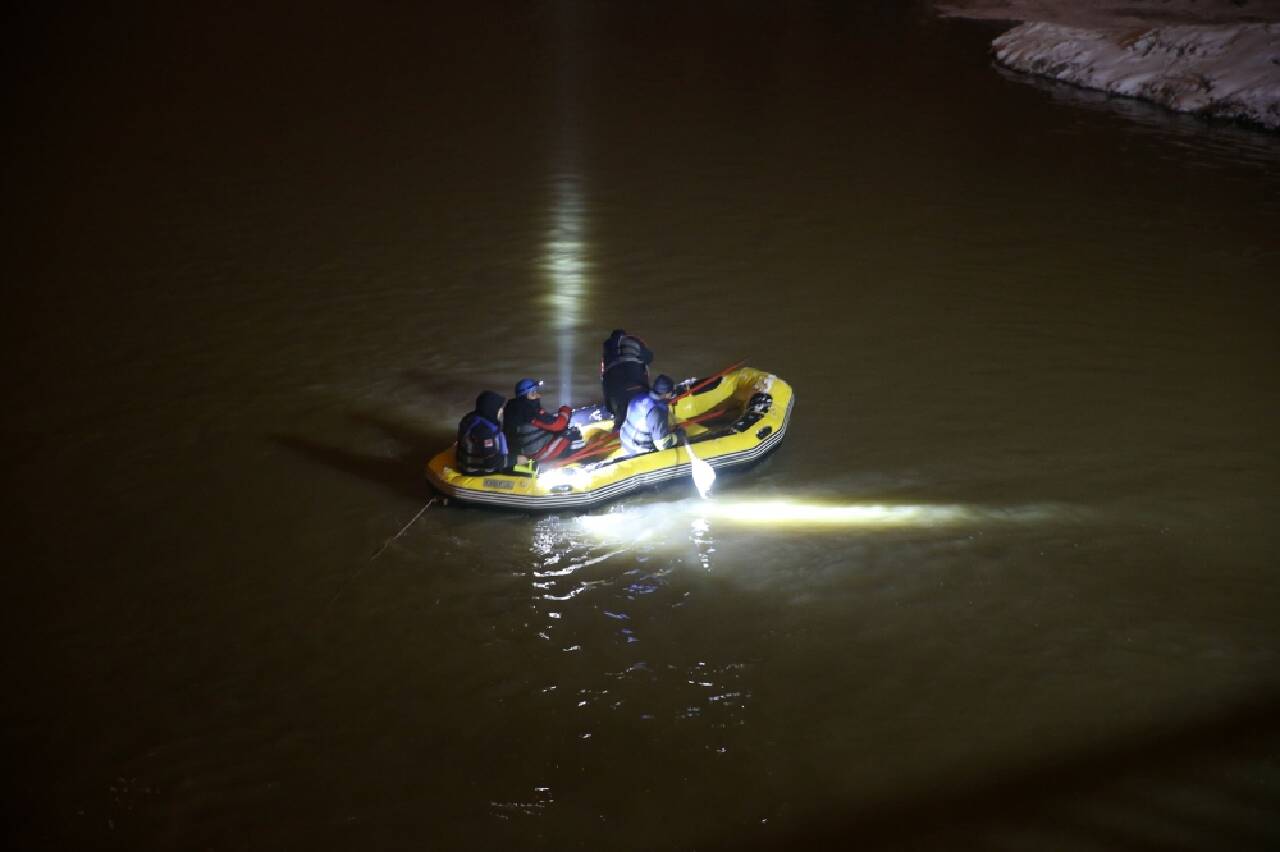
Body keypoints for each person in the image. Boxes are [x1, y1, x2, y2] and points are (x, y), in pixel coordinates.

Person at [504, 378, 578, 463]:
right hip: (535, 454)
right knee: (570, 433)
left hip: (520, 453)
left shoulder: (513, 408)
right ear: (528, 395)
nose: (538, 395)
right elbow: (558, 425)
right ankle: (577, 458)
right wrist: (565, 411)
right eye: (534, 392)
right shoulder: (529, 410)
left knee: (557, 431)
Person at [455, 390, 522, 475]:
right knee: (522, 469)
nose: (501, 411)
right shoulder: (484, 431)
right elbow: (490, 462)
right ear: (491, 408)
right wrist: (516, 460)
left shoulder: (474, 418)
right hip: (477, 471)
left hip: (471, 463)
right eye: (499, 408)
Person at [620, 373, 682, 456]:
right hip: (638, 451)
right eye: (671, 392)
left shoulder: (639, 397)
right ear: (667, 394)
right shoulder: (657, 410)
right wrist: (679, 435)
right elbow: (662, 444)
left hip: (625, 442)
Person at [601, 329, 654, 421]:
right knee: (646, 413)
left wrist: (609, 406)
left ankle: (619, 427)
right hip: (638, 386)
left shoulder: (606, 354)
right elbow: (649, 357)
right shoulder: (634, 341)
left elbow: (604, 379)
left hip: (616, 392)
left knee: (621, 414)